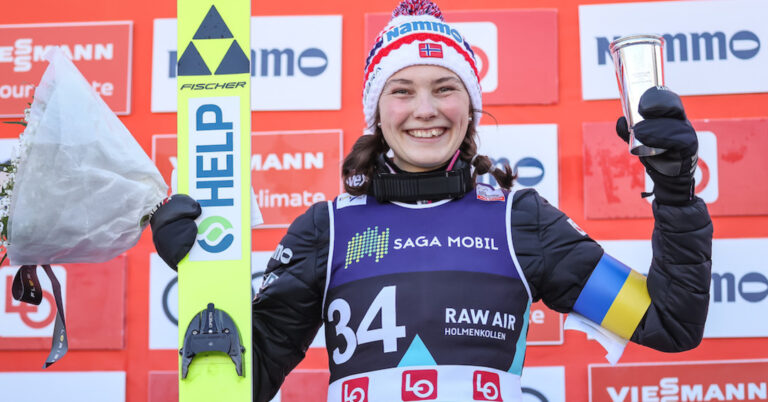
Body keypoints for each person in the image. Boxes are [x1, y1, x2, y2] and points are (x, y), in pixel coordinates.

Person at [151, 0, 712, 400]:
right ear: (378, 110)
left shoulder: (520, 220)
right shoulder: (329, 229)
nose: (426, 109)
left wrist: (675, 188)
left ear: (469, 106)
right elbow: (244, 386)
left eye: (445, 88)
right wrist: (204, 278)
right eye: (402, 90)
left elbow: (668, 321)